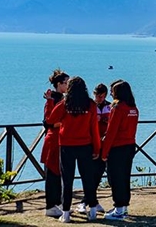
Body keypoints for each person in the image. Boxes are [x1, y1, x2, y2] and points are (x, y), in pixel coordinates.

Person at [47, 76, 102, 222]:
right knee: (88, 179)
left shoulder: (65, 104)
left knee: (67, 179)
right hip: (85, 145)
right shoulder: (90, 104)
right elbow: (94, 129)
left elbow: (51, 120)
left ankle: (65, 213)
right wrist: (97, 148)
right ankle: (93, 210)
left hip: (66, 146)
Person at [101, 80, 140, 221]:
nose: (110, 93)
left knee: (115, 178)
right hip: (130, 145)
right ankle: (123, 206)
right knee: (124, 177)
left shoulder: (117, 108)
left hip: (117, 147)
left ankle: (119, 208)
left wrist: (104, 153)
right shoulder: (133, 109)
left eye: (112, 91)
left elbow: (111, 132)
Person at [76, 83, 111, 215]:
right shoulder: (90, 105)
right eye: (96, 95)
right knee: (88, 174)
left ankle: (90, 201)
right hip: (90, 143)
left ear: (105, 95)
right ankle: (88, 201)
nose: (98, 98)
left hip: (104, 143)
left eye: (101, 96)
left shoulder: (110, 106)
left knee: (99, 173)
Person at [41, 69, 69, 218]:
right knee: (53, 173)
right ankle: (51, 205)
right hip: (53, 140)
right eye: (66, 83)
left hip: (61, 139)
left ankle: (56, 203)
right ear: (59, 84)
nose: (68, 85)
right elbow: (48, 122)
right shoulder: (52, 99)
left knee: (59, 173)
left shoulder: (61, 98)